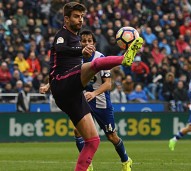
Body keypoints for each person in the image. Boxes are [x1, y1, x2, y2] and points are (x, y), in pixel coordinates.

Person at [39, 2, 143, 171]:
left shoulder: (78, 44)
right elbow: (60, 49)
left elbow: (60, 65)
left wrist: (48, 85)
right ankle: (124, 59)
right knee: (95, 64)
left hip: (74, 94)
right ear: (66, 19)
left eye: (81, 16)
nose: (80, 20)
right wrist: (80, 50)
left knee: (93, 141)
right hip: (63, 83)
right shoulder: (63, 35)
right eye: (75, 16)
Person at [74, 30, 132, 171]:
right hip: (84, 101)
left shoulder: (100, 58)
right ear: (80, 43)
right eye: (84, 41)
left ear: (94, 43)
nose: (87, 43)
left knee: (112, 136)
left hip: (101, 102)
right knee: (77, 131)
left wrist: (94, 93)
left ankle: (126, 160)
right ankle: (87, 164)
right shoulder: (76, 59)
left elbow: (108, 84)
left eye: (90, 41)